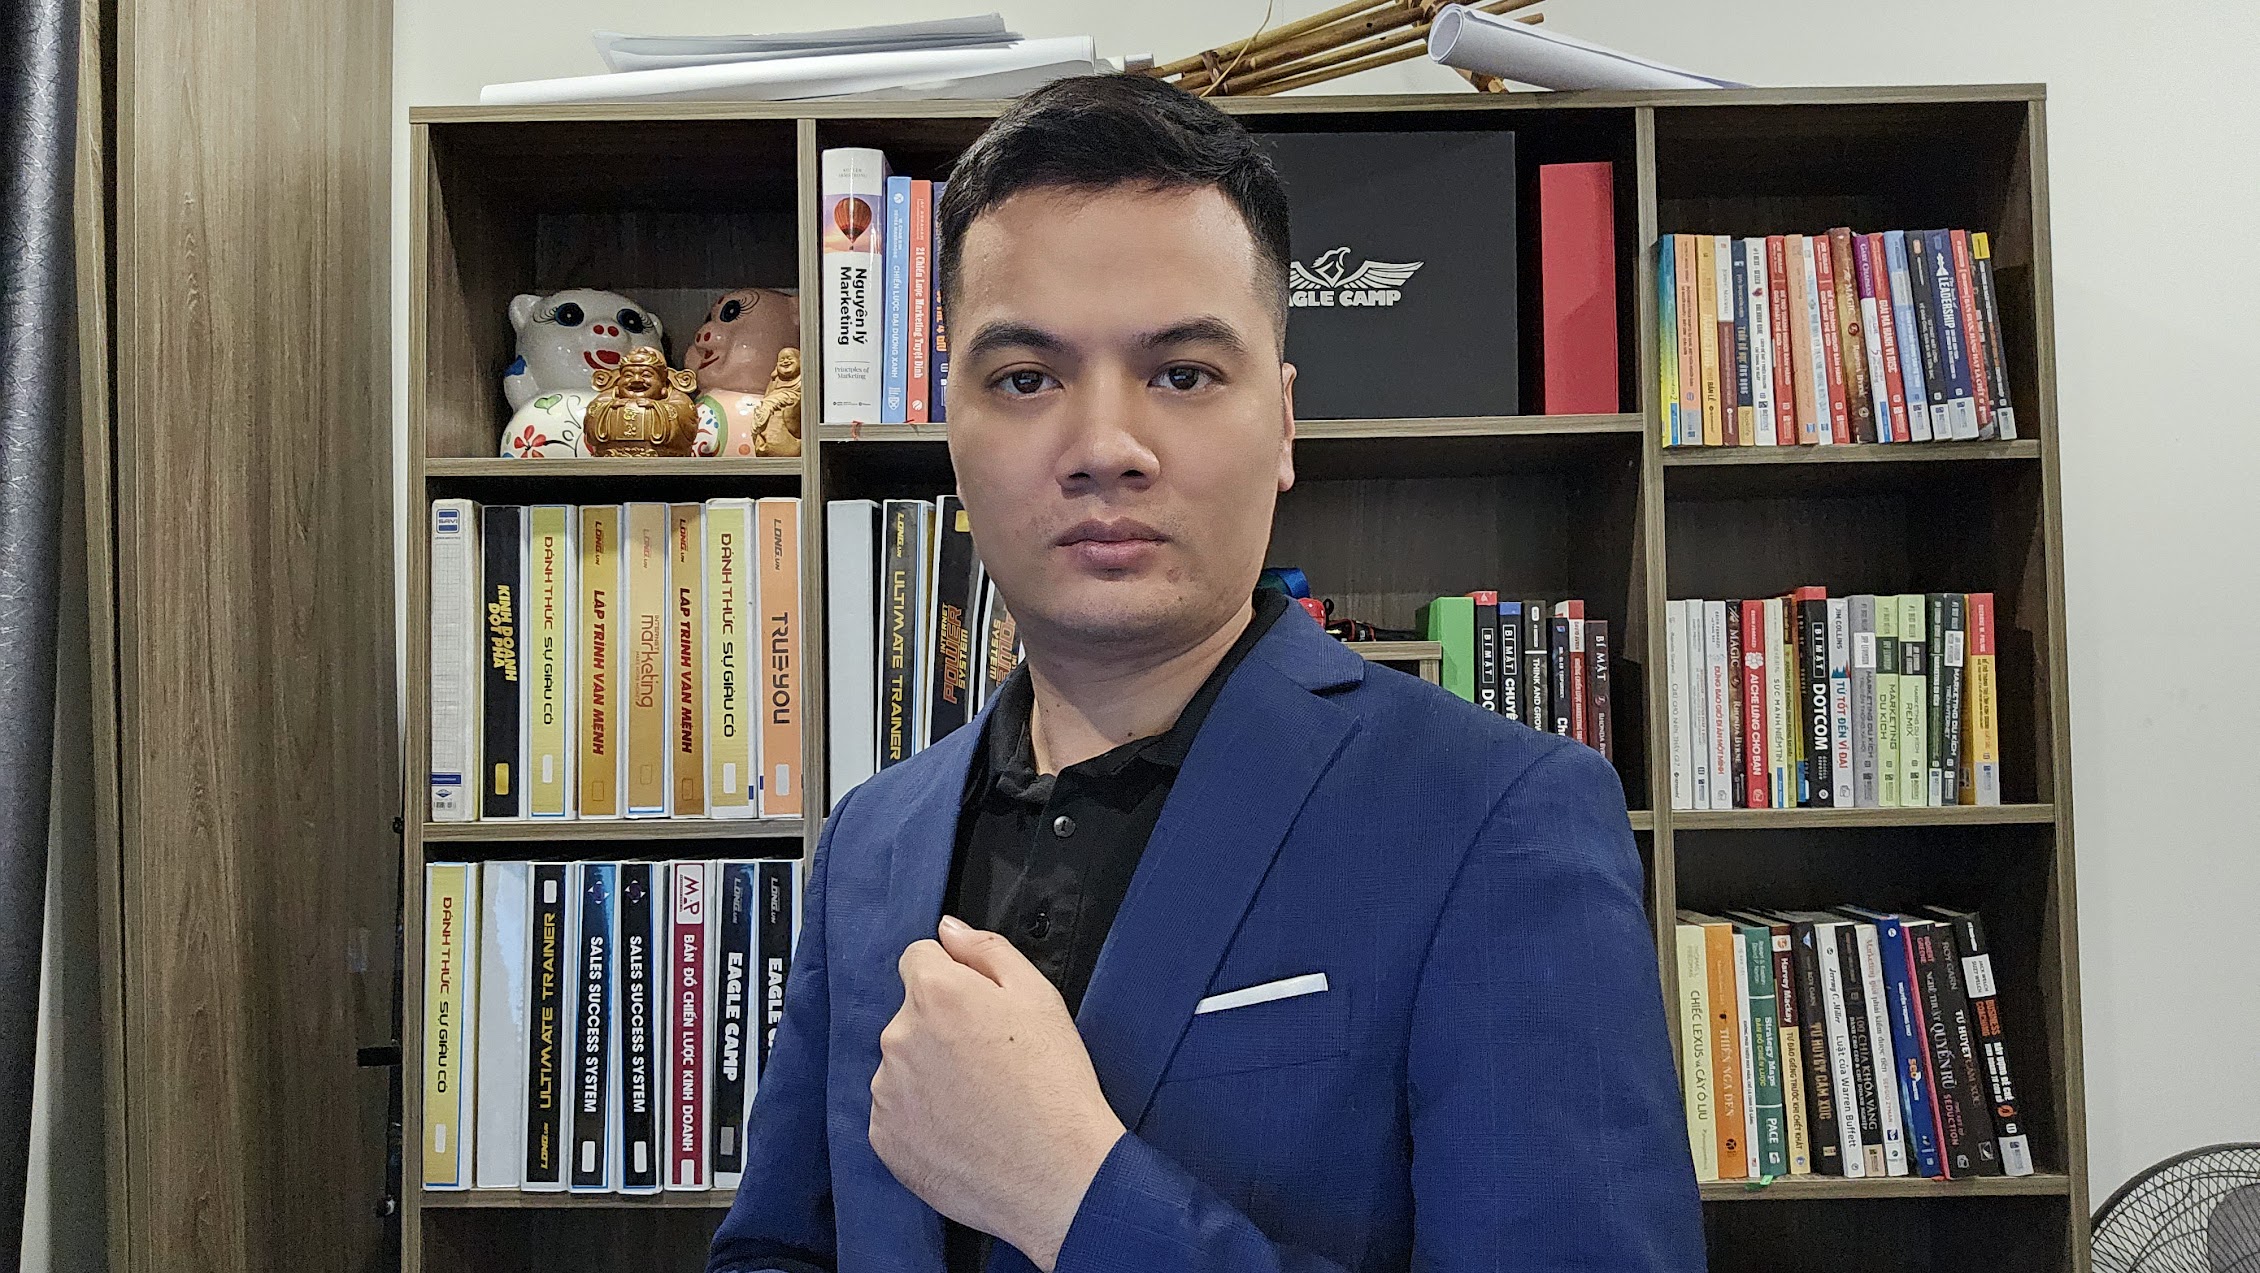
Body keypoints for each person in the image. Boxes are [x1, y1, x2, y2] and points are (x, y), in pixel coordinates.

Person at [708, 73, 1703, 1273]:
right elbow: (779, 1249)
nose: (1104, 447)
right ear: (953, 434)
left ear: (1282, 423)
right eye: (1024, 378)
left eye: (1181, 372)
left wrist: (1074, 1193)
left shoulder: (1495, 815)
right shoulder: (873, 837)